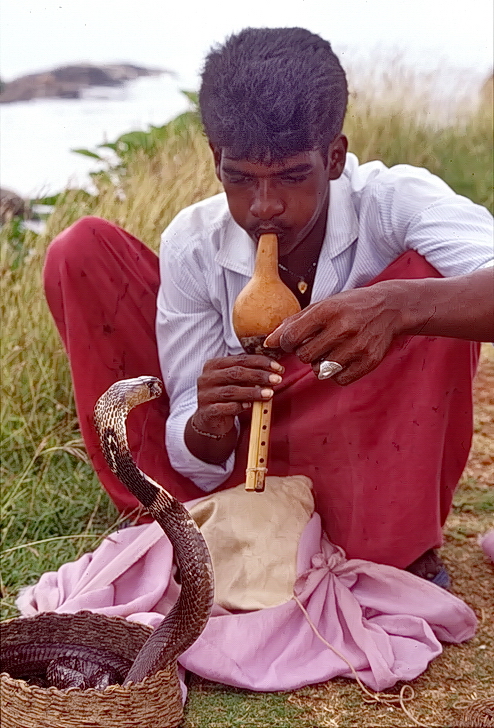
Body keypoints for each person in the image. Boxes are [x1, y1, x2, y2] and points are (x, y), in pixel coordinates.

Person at [44, 27, 493, 589]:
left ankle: (390, 539)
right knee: (78, 251)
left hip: (361, 442)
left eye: (292, 177)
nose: (266, 207)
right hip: (242, 473)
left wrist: (396, 305)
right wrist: (209, 419)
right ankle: (182, 531)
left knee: (429, 279)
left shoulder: (392, 200)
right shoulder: (194, 242)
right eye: (241, 179)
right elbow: (194, 450)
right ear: (215, 160)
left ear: (334, 157)